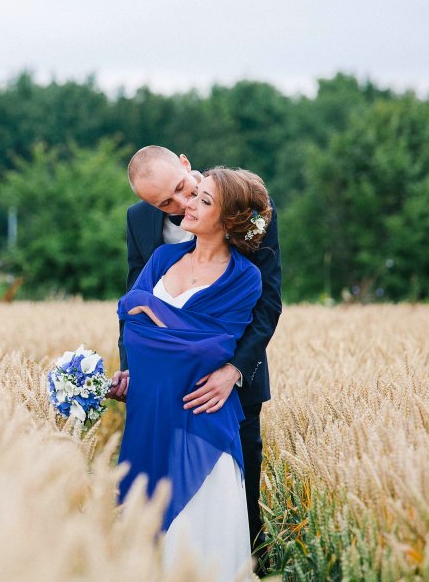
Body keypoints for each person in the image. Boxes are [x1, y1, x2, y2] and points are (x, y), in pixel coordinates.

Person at [111, 147, 282, 570]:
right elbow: (132, 306)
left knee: (236, 508)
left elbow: (266, 306)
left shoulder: (247, 205)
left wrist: (233, 370)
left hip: (223, 390)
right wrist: (133, 367)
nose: (180, 205)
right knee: (151, 504)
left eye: (183, 190)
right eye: (164, 204)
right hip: (156, 395)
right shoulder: (143, 228)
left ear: (186, 164)